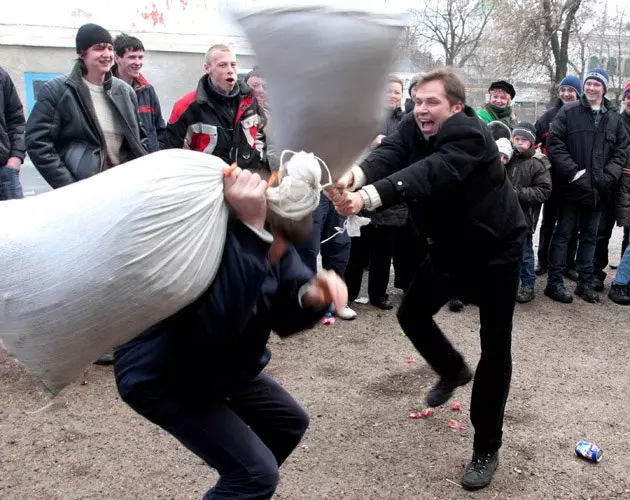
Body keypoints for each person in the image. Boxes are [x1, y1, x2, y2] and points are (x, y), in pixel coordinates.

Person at [329, 68, 527, 490]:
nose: (421, 108)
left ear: (455, 107)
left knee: (495, 350)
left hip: (497, 251)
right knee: (412, 313)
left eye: (431, 102)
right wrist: (354, 177)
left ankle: (486, 446)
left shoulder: (472, 134)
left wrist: (366, 198)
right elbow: (391, 155)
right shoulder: (410, 125)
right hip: (450, 249)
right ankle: (452, 368)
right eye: (417, 101)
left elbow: (431, 172)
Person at [114, 167, 348, 499]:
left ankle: (239, 486)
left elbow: (283, 313)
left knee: (287, 423)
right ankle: (243, 482)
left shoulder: (272, 243)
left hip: (219, 368)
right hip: (162, 374)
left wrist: (311, 296)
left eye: (287, 241)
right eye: (275, 236)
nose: (281, 249)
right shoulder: (210, 245)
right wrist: (253, 233)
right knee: (256, 475)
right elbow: (215, 329)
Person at [25, 23, 147, 364]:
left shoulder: (125, 91)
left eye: (109, 47)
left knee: (123, 266)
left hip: (120, 192)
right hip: (83, 194)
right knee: (89, 270)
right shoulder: (57, 90)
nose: (107, 53)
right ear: (82, 54)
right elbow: (37, 141)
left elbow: (136, 143)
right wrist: (68, 185)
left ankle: (124, 336)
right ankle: (91, 340)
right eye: (98, 48)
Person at [545, 68, 629, 304]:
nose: (592, 88)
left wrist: (608, 176)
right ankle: (555, 283)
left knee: (591, 237)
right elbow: (555, 144)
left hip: (599, 190)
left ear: (604, 88)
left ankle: (584, 282)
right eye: (589, 83)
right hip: (572, 187)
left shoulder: (613, 117)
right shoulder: (569, 111)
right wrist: (574, 173)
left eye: (597, 84)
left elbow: (621, 150)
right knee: (563, 234)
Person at [345, 76, 408, 310]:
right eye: (389, 91)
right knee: (358, 249)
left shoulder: (406, 122)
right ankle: (350, 292)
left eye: (397, 92)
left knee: (384, 252)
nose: (393, 96)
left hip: (392, 193)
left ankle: (378, 294)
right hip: (363, 189)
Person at [166, 44, 268, 171]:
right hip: (206, 185)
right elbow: (172, 153)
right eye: (222, 65)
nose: (230, 70)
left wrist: (256, 164)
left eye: (233, 64)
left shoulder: (250, 101)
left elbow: (260, 137)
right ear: (207, 68)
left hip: (243, 182)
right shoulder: (188, 106)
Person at [534, 75, 582, 278]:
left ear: (578, 93)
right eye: (563, 90)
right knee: (549, 221)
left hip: (575, 178)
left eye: (571, 90)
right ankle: (543, 260)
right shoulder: (547, 117)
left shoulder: (583, 116)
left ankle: (569, 264)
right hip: (552, 178)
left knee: (573, 223)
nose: (566, 94)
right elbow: (533, 144)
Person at [506, 122, 552, 303]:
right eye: (516, 139)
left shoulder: (537, 163)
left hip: (524, 218)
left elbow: (544, 191)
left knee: (525, 254)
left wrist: (518, 193)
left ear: (531, 142)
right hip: (504, 218)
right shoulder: (506, 158)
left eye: (524, 140)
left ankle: (528, 285)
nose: (519, 143)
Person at [112, 33, 166, 153]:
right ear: (117, 58)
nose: (137, 62)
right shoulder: (106, 89)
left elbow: (160, 129)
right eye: (132, 57)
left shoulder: (147, 90)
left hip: (148, 162)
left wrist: (157, 153)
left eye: (140, 57)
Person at [0, 67, 26, 200]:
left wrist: (16, 156)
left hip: (3, 173)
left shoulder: (1, 76)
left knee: (14, 220)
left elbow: (16, 120)